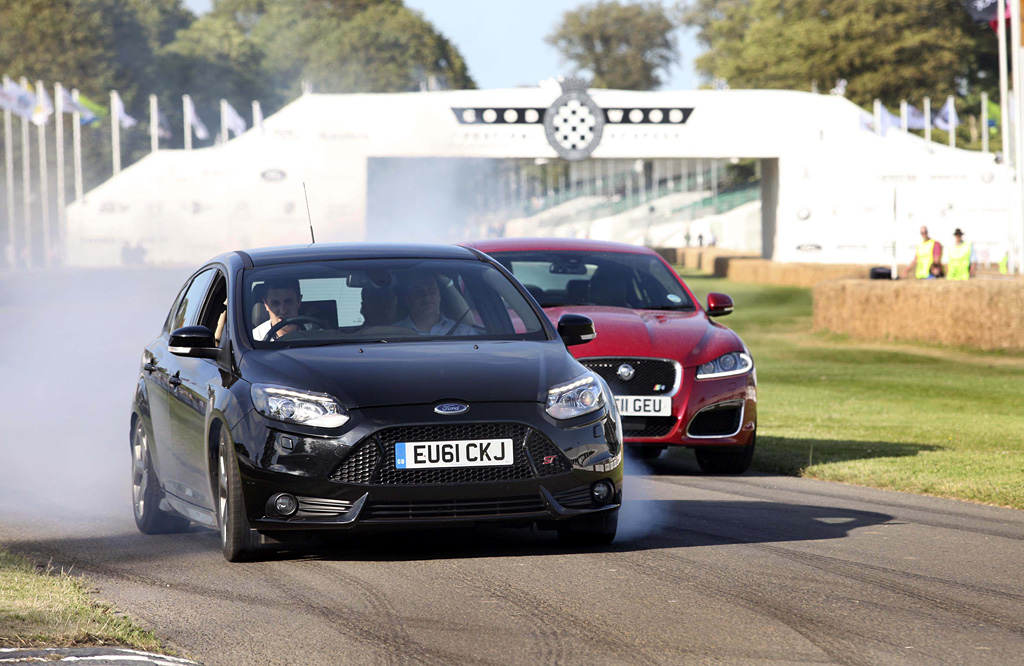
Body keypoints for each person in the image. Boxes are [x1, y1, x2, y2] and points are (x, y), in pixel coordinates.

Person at [395, 272, 477, 336]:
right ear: (408, 300)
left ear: (439, 296)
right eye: (418, 292)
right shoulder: (393, 333)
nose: (426, 296)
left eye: (431, 290)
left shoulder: (465, 333)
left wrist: (446, 281)